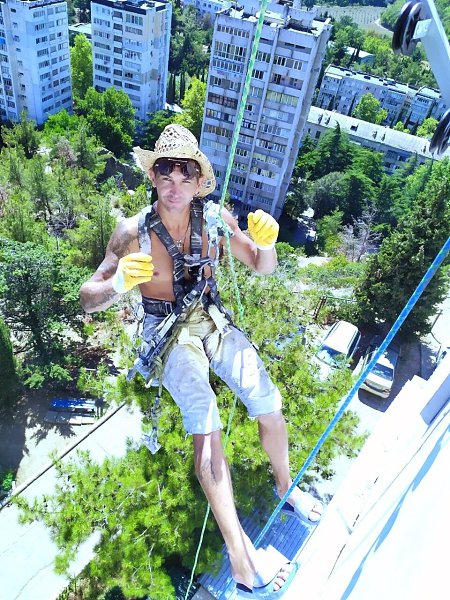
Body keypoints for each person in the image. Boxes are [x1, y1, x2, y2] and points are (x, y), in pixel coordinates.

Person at [79, 125, 323, 599]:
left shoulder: (214, 219)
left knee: (268, 403)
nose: (174, 185)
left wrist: (267, 243)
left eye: (184, 175)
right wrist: (118, 284)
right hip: (166, 334)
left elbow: (260, 265)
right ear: (153, 176)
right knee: (206, 425)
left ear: (197, 182)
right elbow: (88, 297)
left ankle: (285, 485)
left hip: (211, 319)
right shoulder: (132, 232)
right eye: (166, 174)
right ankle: (241, 560)